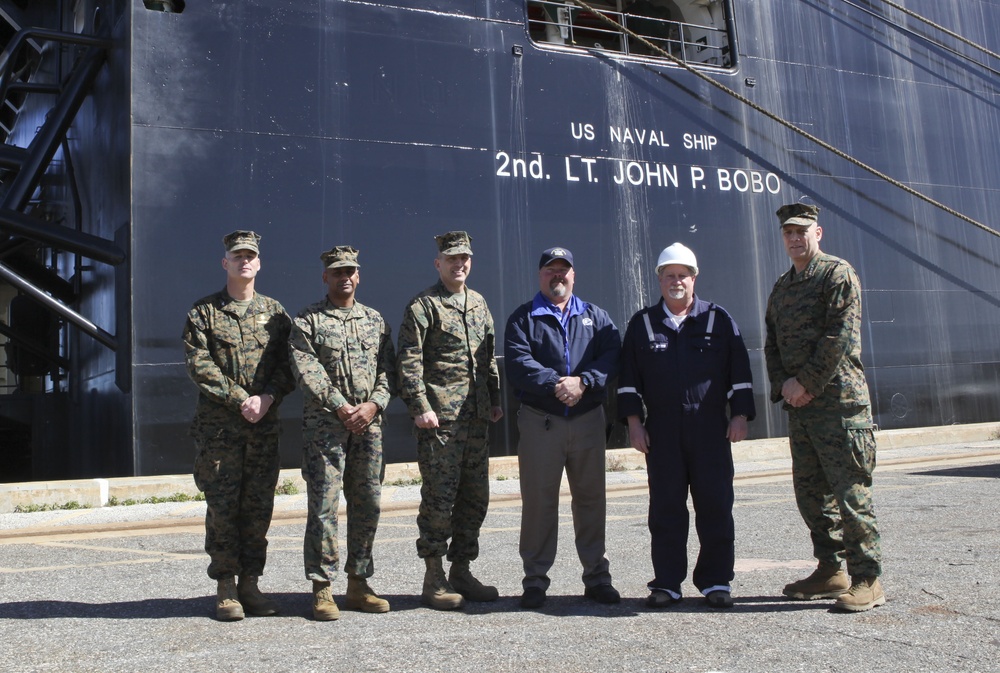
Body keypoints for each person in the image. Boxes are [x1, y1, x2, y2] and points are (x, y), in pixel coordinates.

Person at [617, 242, 754, 609]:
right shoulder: (642, 324)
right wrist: (634, 423)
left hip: (710, 429)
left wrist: (739, 415)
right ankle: (666, 583)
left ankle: (715, 582)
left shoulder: (719, 320)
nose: (676, 281)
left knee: (715, 506)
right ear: (659, 279)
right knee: (665, 509)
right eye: (669, 276)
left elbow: (739, 373)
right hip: (661, 431)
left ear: (694, 279)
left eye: (683, 275)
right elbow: (628, 380)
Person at [764, 203, 885, 612]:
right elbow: (771, 343)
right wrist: (784, 385)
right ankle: (831, 570)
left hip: (840, 407)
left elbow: (839, 336)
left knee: (851, 493)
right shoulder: (782, 287)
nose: (795, 238)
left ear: (819, 233)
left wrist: (806, 384)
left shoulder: (837, 274)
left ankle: (867, 578)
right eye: (788, 233)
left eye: (802, 230)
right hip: (801, 409)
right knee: (811, 494)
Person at [182, 230, 295, 621]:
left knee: (258, 508)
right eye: (237, 255)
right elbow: (200, 366)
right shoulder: (204, 313)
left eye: (251, 255)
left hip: (263, 429)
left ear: (259, 263)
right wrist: (239, 398)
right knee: (223, 508)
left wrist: (266, 398)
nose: (244, 261)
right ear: (225, 262)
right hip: (221, 432)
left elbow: (288, 367)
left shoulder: (277, 315)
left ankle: (251, 583)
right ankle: (226, 586)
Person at [504, 246, 622, 610]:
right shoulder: (523, 318)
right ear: (540, 276)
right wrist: (559, 383)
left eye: (563, 270)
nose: (558, 276)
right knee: (539, 503)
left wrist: (584, 382)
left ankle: (597, 577)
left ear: (574, 275)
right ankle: (535, 580)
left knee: (591, 500)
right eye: (550, 271)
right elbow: (518, 362)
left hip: (587, 420)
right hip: (542, 421)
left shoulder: (597, 317)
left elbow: (613, 355)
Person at [396, 231, 504, 610]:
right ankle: (434, 576)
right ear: (438, 263)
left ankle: (462, 569)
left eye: (465, 259)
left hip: (475, 418)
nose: (460, 264)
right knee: (439, 498)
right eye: (452, 259)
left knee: (475, 498)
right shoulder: (423, 306)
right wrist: (420, 405)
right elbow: (409, 361)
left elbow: (488, 355)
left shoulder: (478, 304)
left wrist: (494, 398)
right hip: (439, 419)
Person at [288, 246, 396, 621]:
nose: (344, 277)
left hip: (369, 426)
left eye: (350, 271)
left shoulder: (375, 320)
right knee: (324, 508)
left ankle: (359, 582)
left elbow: (389, 370)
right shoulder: (308, 321)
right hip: (326, 429)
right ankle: (322, 588)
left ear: (359, 275)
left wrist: (373, 405)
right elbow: (307, 370)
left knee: (368, 504)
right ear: (325, 277)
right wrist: (341, 405)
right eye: (337, 272)